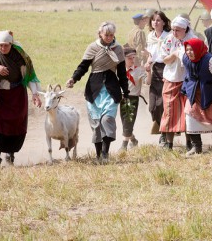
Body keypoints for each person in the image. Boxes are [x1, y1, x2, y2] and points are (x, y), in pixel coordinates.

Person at [67, 22, 129, 161]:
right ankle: (98, 155)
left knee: (107, 120)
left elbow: (122, 73)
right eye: (106, 35)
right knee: (96, 124)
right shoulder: (93, 47)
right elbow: (83, 67)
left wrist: (125, 90)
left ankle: (105, 154)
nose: (109, 37)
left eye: (111, 35)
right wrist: (73, 79)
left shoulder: (118, 49)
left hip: (111, 90)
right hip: (93, 90)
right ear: (100, 34)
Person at [0, 30, 42, 166]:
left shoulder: (21, 55)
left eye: (6, 45)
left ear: (11, 44)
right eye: (0, 45)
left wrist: (35, 94)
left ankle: (10, 154)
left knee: (15, 125)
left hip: (17, 94)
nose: (3, 48)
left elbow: (29, 75)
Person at [160, 16, 196, 149]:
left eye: (178, 30)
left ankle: (189, 142)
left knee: (187, 112)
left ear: (185, 29)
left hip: (188, 79)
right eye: (173, 29)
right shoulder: (169, 39)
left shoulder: (193, 40)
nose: (175, 33)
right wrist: (175, 54)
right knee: (169, 110)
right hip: (171, 78)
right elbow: (164, 59)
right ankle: (168, 143)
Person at [144, 11, 171, 145]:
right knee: (152, 106)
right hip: (154, 70)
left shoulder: (169, 36)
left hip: (166, 69)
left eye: (159, 20)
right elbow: (151, 54)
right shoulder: (150, 36)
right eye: (154, 20)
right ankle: (161, 128)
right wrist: (147, 62)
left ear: (164, 22)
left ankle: (164, 133)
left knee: (162, 104)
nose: (156, 22)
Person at [119, 46, 146, 151]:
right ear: (124, 58)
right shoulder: (119, 70)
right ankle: (134, 140)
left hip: (133, 98)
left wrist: (148, 72)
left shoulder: (138, 70)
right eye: (130, 58)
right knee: (125, 122)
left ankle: (124, 145)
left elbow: (147, 82)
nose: (132, 60)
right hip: (121, 98)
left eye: (134, 57)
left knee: (128, 121)